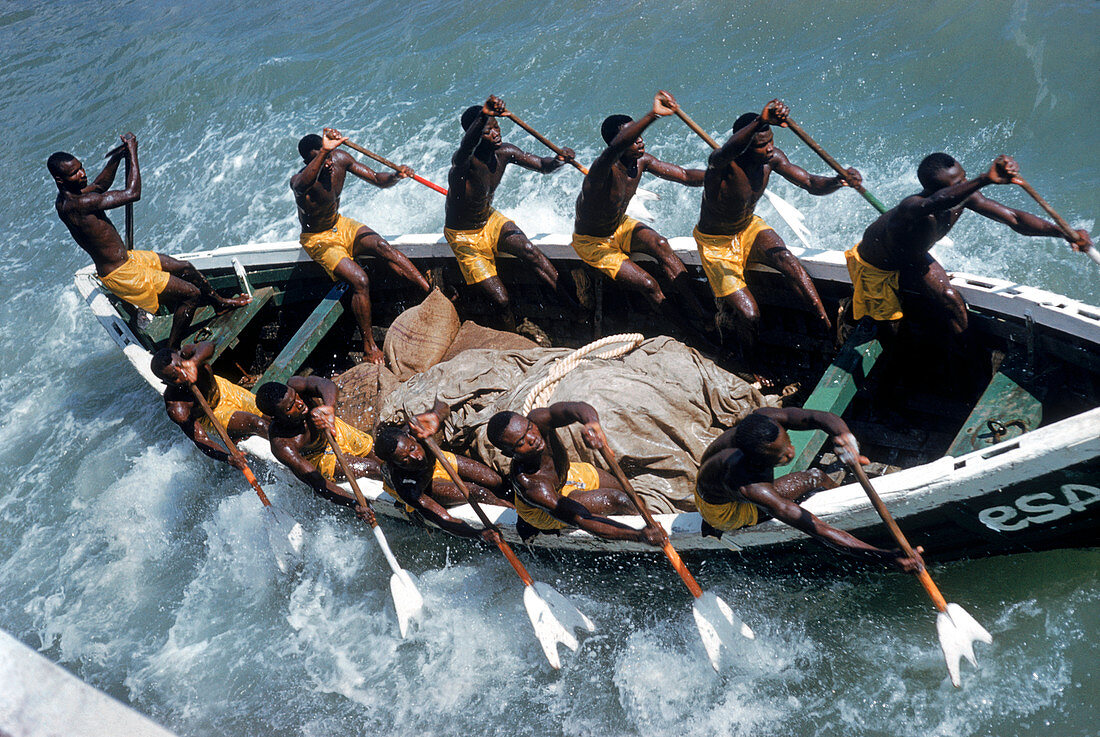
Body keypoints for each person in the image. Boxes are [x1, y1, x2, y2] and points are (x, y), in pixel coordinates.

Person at [848, 153, 1093, 337]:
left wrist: (1063, 233)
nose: (965, 187)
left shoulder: (966, 198)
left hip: (913, 258)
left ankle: (964, 364)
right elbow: (937, 202)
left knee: (950, 299)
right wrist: (984, 179)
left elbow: (1014, 218)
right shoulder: (913, 208)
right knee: (890, 331)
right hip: (876, 266)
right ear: (933, 191)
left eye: (964, 179)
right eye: (958, 185)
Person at [49, 133, 249, 348]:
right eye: (74, 173)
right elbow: (132, 193)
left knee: (185, 268)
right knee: (191, 295)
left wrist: (116, 158)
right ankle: (171, 351)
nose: (82, 174)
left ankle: (219, 304)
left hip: (127, 260)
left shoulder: (73, 195)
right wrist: (133, 152)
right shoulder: (79, 203)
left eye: (81, 167)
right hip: (122, 274)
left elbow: (99, 185)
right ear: (60, 180)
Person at [694, 100, 857, 360]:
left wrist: (838, 181)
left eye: (770, 140)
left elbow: (810, 182)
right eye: (761, 145)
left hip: (748, 227)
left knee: (788, 261)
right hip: (716, 245)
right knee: (750, 315)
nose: (769, 148)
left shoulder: (773, 158)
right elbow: (724, 151)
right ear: (744, 145)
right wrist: (761, 119)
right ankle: (753, 361)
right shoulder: (722, 165)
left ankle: (829, 330)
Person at [695, 407, 922, 571]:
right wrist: (885, 557)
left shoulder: (763, 420)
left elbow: (819, 417)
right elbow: (820, 530)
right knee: (815, 477)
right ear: (757, 462)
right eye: (782, 456)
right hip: (723, 512)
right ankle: (838, 499)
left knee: (814, 476)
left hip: (712, 484)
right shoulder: (752, 487)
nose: (791, 452)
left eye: (788, 442)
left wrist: (844, 438)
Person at [291, 128, 431, 364]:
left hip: (341, 224)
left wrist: (396, 176)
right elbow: (299, 186)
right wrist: (324, 152)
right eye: (320, 158)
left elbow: (377, 179)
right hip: (318, 239)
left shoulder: (340, 159)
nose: (327, 162)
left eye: (329, 156)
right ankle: (369, 347)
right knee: (360, 280)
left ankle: (431, 293)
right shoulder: (301, 179)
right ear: (309, 161)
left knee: (384, 247)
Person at [572, 91, 707, 324]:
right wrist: (653, 114)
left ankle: (703, 315)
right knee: (648, 284)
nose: (640, 140)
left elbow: (684, 175)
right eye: (632, 137)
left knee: (661, 244)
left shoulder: (642, 161)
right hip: (591, 241)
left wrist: (718, 175)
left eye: (639, 135)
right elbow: (614, 149)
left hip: (619, 225)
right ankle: (684, 329)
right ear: (617, 143)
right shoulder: (602, 169)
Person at [446, 95, 578, 332]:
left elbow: (542, 165)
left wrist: (559, 160)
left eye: (496, 127)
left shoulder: (505, 152)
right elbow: (466, 145)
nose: (495, 133)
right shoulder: (463, 163)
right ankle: (510, 339)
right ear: (475, 135)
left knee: (529, 250)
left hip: (490, 220)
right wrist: (485, 115)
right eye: (488, 131)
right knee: (502, 300)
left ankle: (575, 309)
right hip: (464, 237)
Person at [486, 402, 663, 545]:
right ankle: (655, 533)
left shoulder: (539, 419)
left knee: (630, 496)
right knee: (618, 499)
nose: (532, 438)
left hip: (567, 475)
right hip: (545, 508)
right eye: (520, 442)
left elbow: (574, 409)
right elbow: (581, 518)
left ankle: (653, 522)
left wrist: (591, 423)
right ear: (509, 454)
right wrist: (638, 536)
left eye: (529, 428)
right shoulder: (531, 485)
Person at [373, 400, 511, 542]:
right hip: (425, 485)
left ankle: (510, 505)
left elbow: (443, 407)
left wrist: (435, 416)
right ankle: (515, 515)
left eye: (413, 448)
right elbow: (444, 519)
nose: (417, 457)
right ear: (395, 464)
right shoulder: (408, 487)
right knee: (479, 493)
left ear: (410, 437)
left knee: (496, 481)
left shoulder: (415, 428)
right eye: (405, 460)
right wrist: (479, 534)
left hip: (439, 461)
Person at [254, 376, 381, 513]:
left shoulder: (295, 384)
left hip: (333, 428)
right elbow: (318, 483)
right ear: (276, 418)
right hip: (321, 458)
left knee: (379, 456)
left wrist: (329, 407)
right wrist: (354, 504)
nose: (300, 403)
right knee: (373, 467)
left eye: (296, 396)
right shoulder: (283, 445)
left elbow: (325, 384)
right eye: (290, 407)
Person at [150, 341, 269, 468]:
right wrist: (228, 458)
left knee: (268, 414)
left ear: (181, 356)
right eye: (175, 377)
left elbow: (210, 345)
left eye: (182, 366)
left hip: (224, 390)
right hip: (213, 414)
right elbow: (201, 440)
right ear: (165, 383)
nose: (184, 375)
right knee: (257, 423)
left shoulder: (188, 354)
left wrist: (193, 362)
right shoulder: (177, 407)